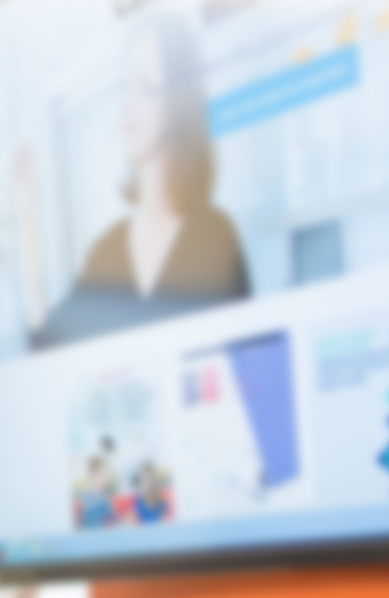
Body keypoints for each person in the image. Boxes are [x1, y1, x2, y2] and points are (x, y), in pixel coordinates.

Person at [28, 9, 248, 348]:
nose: (128, 103)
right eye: (125, 85)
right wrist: (27, 215)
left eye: (144, 85)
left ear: (178, 101)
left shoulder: (216, 238)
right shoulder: (106, 253)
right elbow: (47, 343)